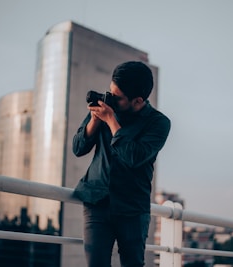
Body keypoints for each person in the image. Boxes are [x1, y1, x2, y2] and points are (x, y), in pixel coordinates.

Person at [72, 61, 171, 267]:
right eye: (110, 92)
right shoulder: (107, 107)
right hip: (97, 201)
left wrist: (111, 122)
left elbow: (134, 157)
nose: (111, 99)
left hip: (132, 208)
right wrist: (94, 121)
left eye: (118, 97)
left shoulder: (158, 123)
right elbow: (78, 148)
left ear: (138, 100)